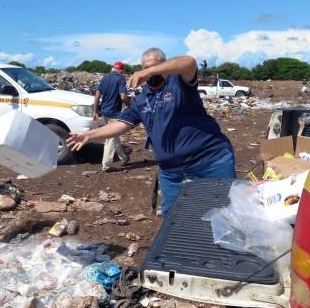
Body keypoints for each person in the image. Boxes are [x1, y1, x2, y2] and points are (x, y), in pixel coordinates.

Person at [68, 48, 236, 215]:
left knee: (224, 216)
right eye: (145, 67)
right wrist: (89, 135)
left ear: (164, 65)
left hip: (210, 163)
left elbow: (189, 62)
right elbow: (121, 124)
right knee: (174, 221)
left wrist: (151, 70)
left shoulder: (179, 82)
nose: (149, 72)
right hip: (171, 173)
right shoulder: (142, 99)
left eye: (154, 67)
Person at [93, 61, 130, 171]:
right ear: (121, 71)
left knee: (114, 135)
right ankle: (106, 165)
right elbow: (123, 97)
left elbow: (97, 95)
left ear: (113, 68)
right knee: (111, 138)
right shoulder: (120, 79)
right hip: (114, 113)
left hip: (104, 112)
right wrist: (130, 104)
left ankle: (123, 157)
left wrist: (95, 111)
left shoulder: (105, 78)